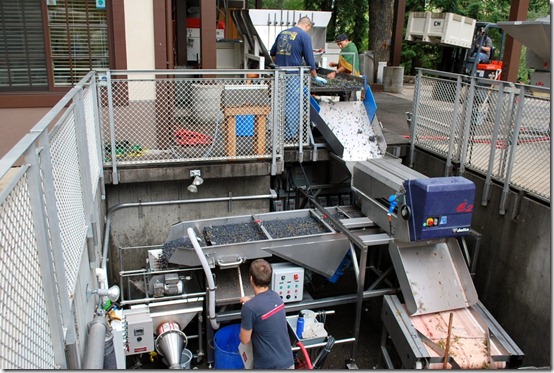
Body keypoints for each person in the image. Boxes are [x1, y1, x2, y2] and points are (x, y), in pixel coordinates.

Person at [270, 16, 322, 141]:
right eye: (309, 29)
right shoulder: (304, 36)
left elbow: (272, 53)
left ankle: (279, 132)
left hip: (279, 75)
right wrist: (315, 76)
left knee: (280, 104)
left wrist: (279, 65)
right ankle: (290, 136)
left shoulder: (283, 33)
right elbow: (310, 59)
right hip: (293, 75)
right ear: (307, 26)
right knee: (293, 105)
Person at [239, 259, 294, 369]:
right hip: (288, 363)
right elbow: (263, 304)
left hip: (268, 366)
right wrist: (251, 301)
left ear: (251, 279)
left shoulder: (249, 308)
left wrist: (248, 305)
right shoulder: (276, 297)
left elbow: (245, 340)